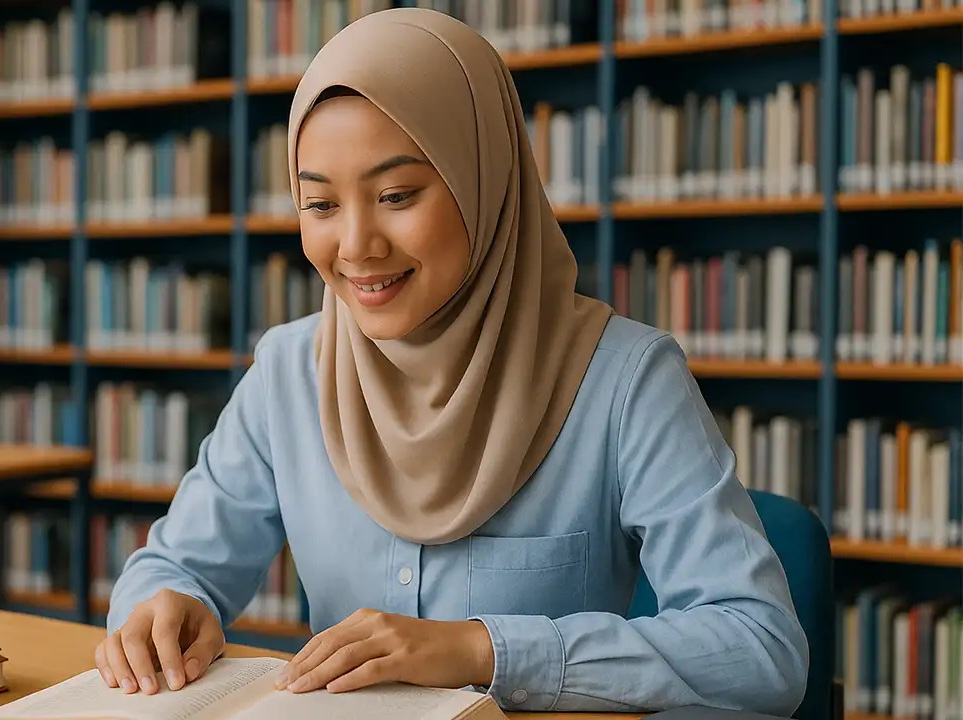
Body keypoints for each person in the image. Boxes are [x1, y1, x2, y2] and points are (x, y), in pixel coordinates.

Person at [94, 7, 809, 716]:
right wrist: (165, 610)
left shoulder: (623, 378)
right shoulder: (288, 371)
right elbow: (171, 568)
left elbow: (762, 648)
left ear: (482, 179)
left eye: (397, 195)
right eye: (320, 203)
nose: (356, 245)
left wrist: (482, 649)